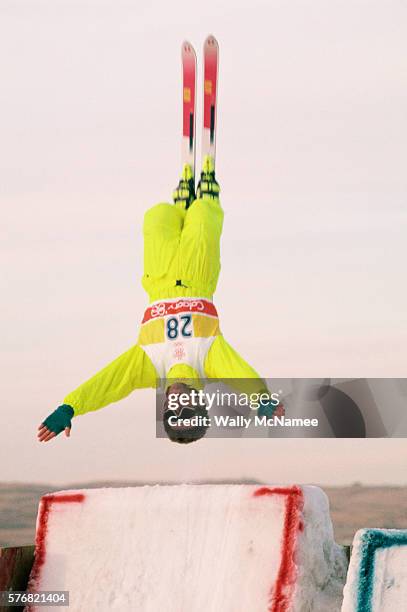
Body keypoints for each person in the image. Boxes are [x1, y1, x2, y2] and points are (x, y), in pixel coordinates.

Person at [38, 157, 282, 445]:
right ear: (198, 402)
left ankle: (180, 205)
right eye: (186, 408)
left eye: (172, 411)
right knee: (203, 216)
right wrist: (262, 400)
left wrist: (71, 407)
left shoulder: (148, 365)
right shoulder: (209, 360)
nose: (176, 401)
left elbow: (107, 383)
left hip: (158, 277)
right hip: (196, 275)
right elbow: (243, 374)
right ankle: (204, 196)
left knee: (156, 216)